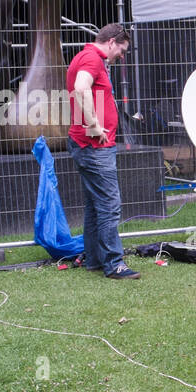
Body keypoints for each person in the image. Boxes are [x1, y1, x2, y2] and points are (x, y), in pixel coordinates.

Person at [67, 23, 138, 279]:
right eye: (122, 49)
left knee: (95, 205)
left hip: (86, 144)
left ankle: (95, 259)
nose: (122, 55)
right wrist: (95, 125)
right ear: (111, 42)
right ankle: (114, 263)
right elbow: (80, 86)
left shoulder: (84, 56)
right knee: (109, 205)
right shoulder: (92, 59)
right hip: (95, 146)